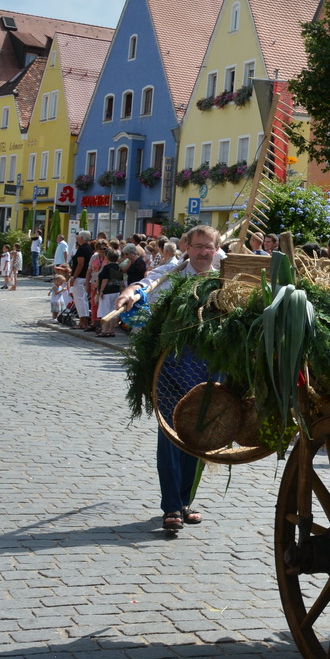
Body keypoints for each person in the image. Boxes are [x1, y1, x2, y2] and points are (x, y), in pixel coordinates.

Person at [115, 225, 223, 534]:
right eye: (198, 246)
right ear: (187, 247)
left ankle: (185, 500)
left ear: (216, 249)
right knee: (170, 436)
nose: (203, 252)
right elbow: (144, 285)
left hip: (210, 368)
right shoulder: (171, 273)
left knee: (198, 436)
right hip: (172, 367)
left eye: (208, 247)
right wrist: (128, 293)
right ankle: (171, 506)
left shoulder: (226, 271)